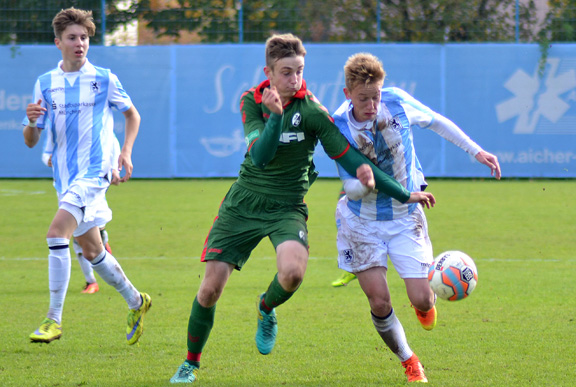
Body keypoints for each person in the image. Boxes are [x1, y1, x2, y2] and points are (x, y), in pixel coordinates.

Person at [169, 34, 435, 384]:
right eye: (286, 73)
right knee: (209, 290)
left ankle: (266, 307)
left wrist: (403, 193)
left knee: (293, 274)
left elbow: (351, 157)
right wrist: (276, 118)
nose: (294, 80)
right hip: (244, 203)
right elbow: (260, 157)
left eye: (299, 71)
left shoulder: (312, 111)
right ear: (269, 72)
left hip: (287, 207)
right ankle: (190, 363)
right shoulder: (251, 101)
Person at [332, 53, 501, 383]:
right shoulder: (338, 125)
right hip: (361, 223)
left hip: (406, 217)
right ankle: (409, 360)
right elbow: (348, 187)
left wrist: (475, 151)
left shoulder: (395, 101)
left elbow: (436, 121)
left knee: (422, 297)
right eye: (363, 98)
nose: (371, 104)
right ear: (347, 93)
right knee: (379, 301)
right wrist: (361, 184)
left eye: (375, 95)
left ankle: (425, 304)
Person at [23, 7, 151, 345]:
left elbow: (132, 115)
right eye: (72, 38)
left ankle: (53, 319)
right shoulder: (45, 83)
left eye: (84, 38)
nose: (80, 43)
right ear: (58, 42)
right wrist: (33, 122)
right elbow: (31, 139)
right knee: (93, 250)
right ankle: (137, 301)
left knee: (55, 234)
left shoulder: (103, 78)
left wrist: (125, 152)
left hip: (94, 173)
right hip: (65, 178)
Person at [41, 127, 120, 294]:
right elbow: (46, 153)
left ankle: (102, 243)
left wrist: (114, 168)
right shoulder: (55, 124)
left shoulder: (92, 119)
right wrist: (49, 159)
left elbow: (112, 141)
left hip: (89, 184)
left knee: (92, 236)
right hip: (65, 187)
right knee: (77, 238)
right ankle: (91, 281)